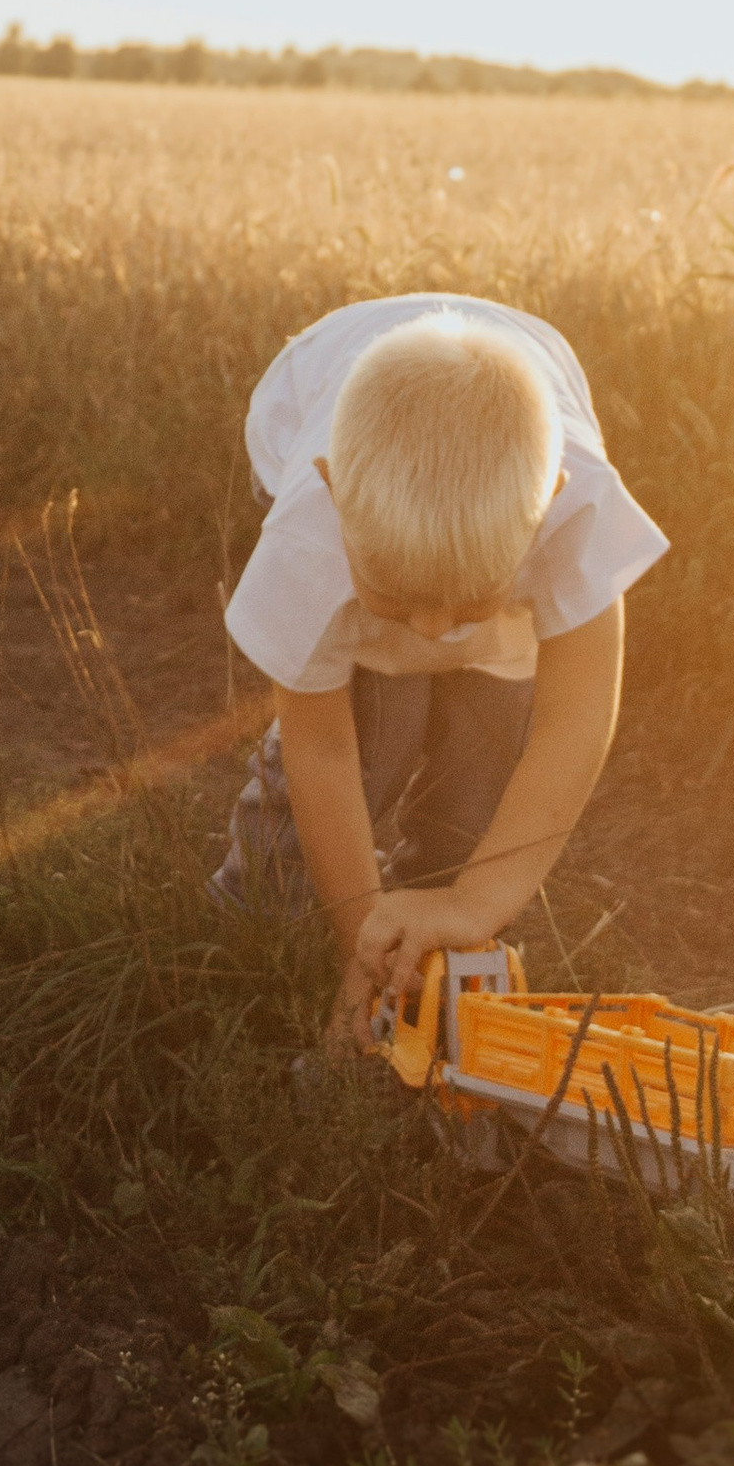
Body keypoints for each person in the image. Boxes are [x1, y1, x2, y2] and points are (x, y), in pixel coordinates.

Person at [213, 298, 667, 1045]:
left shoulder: (576, 506)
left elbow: (574, 718)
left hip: (503, 434)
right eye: (397, 597)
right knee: (369, 735)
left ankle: (432, 939)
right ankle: (256, 909)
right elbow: (321, 747)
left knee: (488, 756)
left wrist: (477, 901)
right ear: (333, 492)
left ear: (543, 508)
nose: (430, 631)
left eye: (470, 602)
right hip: (314, 386)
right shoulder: (311, 533)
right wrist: (357, 946)